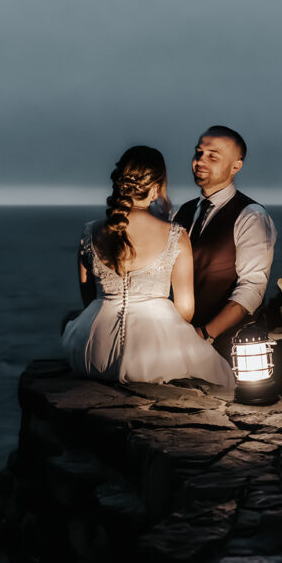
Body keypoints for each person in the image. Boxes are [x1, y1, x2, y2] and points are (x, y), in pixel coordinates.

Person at [61, 146, 236, 387]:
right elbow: (185, 311)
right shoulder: (176, 235)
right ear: (155, 189)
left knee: (69, 321)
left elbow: (88, 299)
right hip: (155, 356)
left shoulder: (89, 232)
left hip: (91, 352)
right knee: (224, 375)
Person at [173, 126, 277, 358]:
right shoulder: (181, 212)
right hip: (176, 340)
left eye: (212, 156)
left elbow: (251, 288)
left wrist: (205, 334)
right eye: (198, 153)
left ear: (236, 166)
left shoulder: (251, 216)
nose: (200, 161)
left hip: (224, 345)